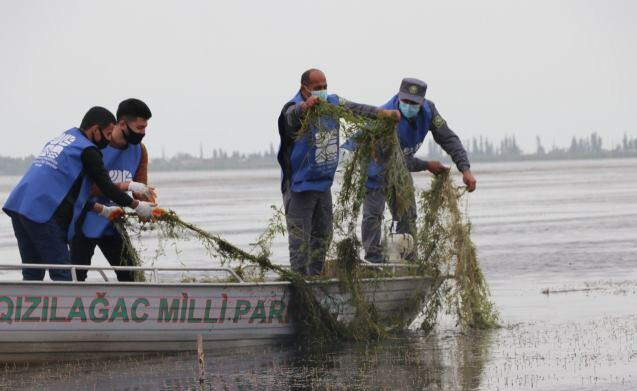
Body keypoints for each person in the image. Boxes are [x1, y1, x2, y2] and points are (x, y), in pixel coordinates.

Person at [2, 106, 157, 281]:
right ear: (94, 130)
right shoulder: (89, 151)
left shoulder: (66, 138)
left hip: (18, 205)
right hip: (41, 211)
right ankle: (66, 308)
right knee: (64, 274)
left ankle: (22, 307)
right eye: (107, 134)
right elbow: (106, 187)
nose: (107, 140)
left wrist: (102, 210)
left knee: (33, 271)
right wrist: (136, 205)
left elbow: (69, 191)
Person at [277, 68, 398, 276]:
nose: (322, 91)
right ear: (304, 89)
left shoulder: (332, 103)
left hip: (322, 185)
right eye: (317, 88)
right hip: (299, 187)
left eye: (325, 87)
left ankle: (314, 278)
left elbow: (356, 109)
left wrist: (382, 113)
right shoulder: (293, 107)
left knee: (323, 235)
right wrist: (305, 107)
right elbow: (290, 117)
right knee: (300, 242)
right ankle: (299, 284)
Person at [359, 78, 476, 263]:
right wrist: (426, 165)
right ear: (399, 97)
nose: (409, 106)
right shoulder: (386, 116)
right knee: (373, 215)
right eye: (405, 101)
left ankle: (407, 257)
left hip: (402, 169)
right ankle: (373, 260)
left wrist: (465, 169)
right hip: (376, 167)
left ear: (422, 102)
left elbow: (449, 139)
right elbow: (394, 160)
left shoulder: (429, 111)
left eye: (414, 103)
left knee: (407, 214)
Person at [71, 99, 156, 282]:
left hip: (113, 221)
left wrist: (147, 208)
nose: (143, 133)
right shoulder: (94, 146)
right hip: (85, 217)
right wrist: (126, 186)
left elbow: (141, 190)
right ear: (123, 124)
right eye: (140, 128)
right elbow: (84, 190)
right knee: (75, 277)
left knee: (131, 276)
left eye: (145, 128)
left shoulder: (140, 150)